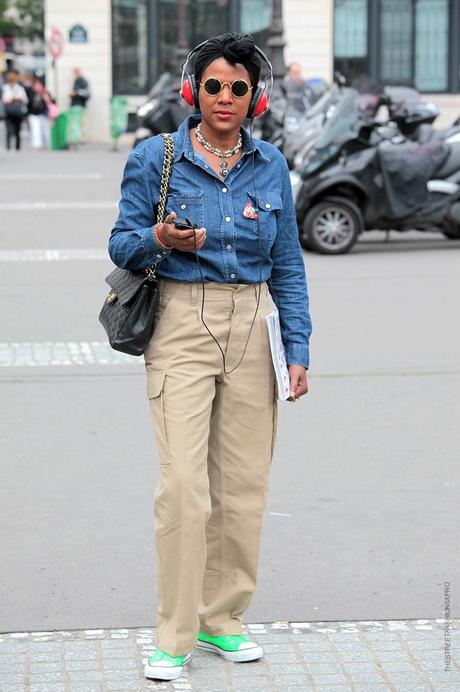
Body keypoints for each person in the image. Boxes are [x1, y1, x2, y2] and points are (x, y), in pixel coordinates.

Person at [108, 32, 312, 682]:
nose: (225, 99)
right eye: (215, 86)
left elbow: (287, 262)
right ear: (193, 91)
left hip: (254, 325)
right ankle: (172, 635)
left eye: (239, 88)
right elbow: (121, 243)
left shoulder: (271, 165)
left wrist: (299, 345)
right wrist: (157, 238)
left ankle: (222, 620)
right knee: (185, 489)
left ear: (256, 98)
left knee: (244, 489)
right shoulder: (156, 156)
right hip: (180, 322)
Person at [1, 70, 28, 151]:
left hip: (17, 112)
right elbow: (4, 99)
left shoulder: (19, 88)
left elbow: (25, 99)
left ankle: (17, 147)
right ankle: (9, 146)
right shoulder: (5, 88)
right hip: (8, 111)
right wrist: (14, 99)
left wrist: (12, 99)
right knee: (9, 130)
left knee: (17, 129)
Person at [28, 78, 52, 150]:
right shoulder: (31, 93)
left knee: (46, 130)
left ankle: (46, 145)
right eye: (36, 86)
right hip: (33, 114)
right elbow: (28, 103)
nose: (38, 87)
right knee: (35, 130)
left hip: (43, 114)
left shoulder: (45, 92)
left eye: (39, 85)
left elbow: (51, 102)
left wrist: (47, 99)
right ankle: (36, 145)